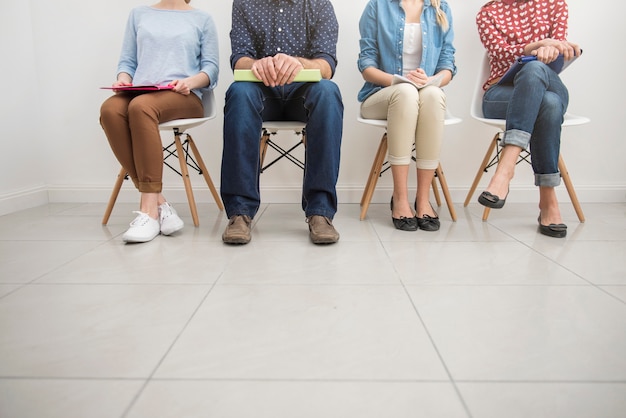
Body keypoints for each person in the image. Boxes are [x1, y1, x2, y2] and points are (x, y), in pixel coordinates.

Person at [219, 0, 344, 245]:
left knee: (329, 92)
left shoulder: (319, 4)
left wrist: (299, 63)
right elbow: (239, 59)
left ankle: (320, 212)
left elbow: (327, 64)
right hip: (261, 93)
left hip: (303, 95)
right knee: (239, 92)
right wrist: (257, 64)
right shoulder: (245, 3)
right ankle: (239, 212)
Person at [100, 0, 219, 243]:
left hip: (184, 97)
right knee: (110, 109)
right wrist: (123, 79)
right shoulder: (138, 14)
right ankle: (159, 202)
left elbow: (212, 69)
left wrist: (190, 82)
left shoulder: (202, 19)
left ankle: (148, 212)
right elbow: (127, 62)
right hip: (141, 92)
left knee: (141, 108)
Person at [476, 0, 581, 238]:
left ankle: (505, 169)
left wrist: (555, 48)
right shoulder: (488, 13)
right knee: (548, 103)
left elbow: (558, 49)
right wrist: (538, 45)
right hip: (500, 94)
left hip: (548, 82)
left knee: (534, 71)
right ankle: (548, 199)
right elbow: (499, 52)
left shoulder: (555, 5)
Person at [357, 0, 456, 232]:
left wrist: (430, 81)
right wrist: (399, 81)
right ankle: (400, 198)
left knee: (432, 94)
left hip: (424, 96)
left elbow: (448, 66)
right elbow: (366, 65)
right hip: (381, 94)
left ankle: (423, 199)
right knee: (405, 91)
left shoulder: (441, 8)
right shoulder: (378, 6)